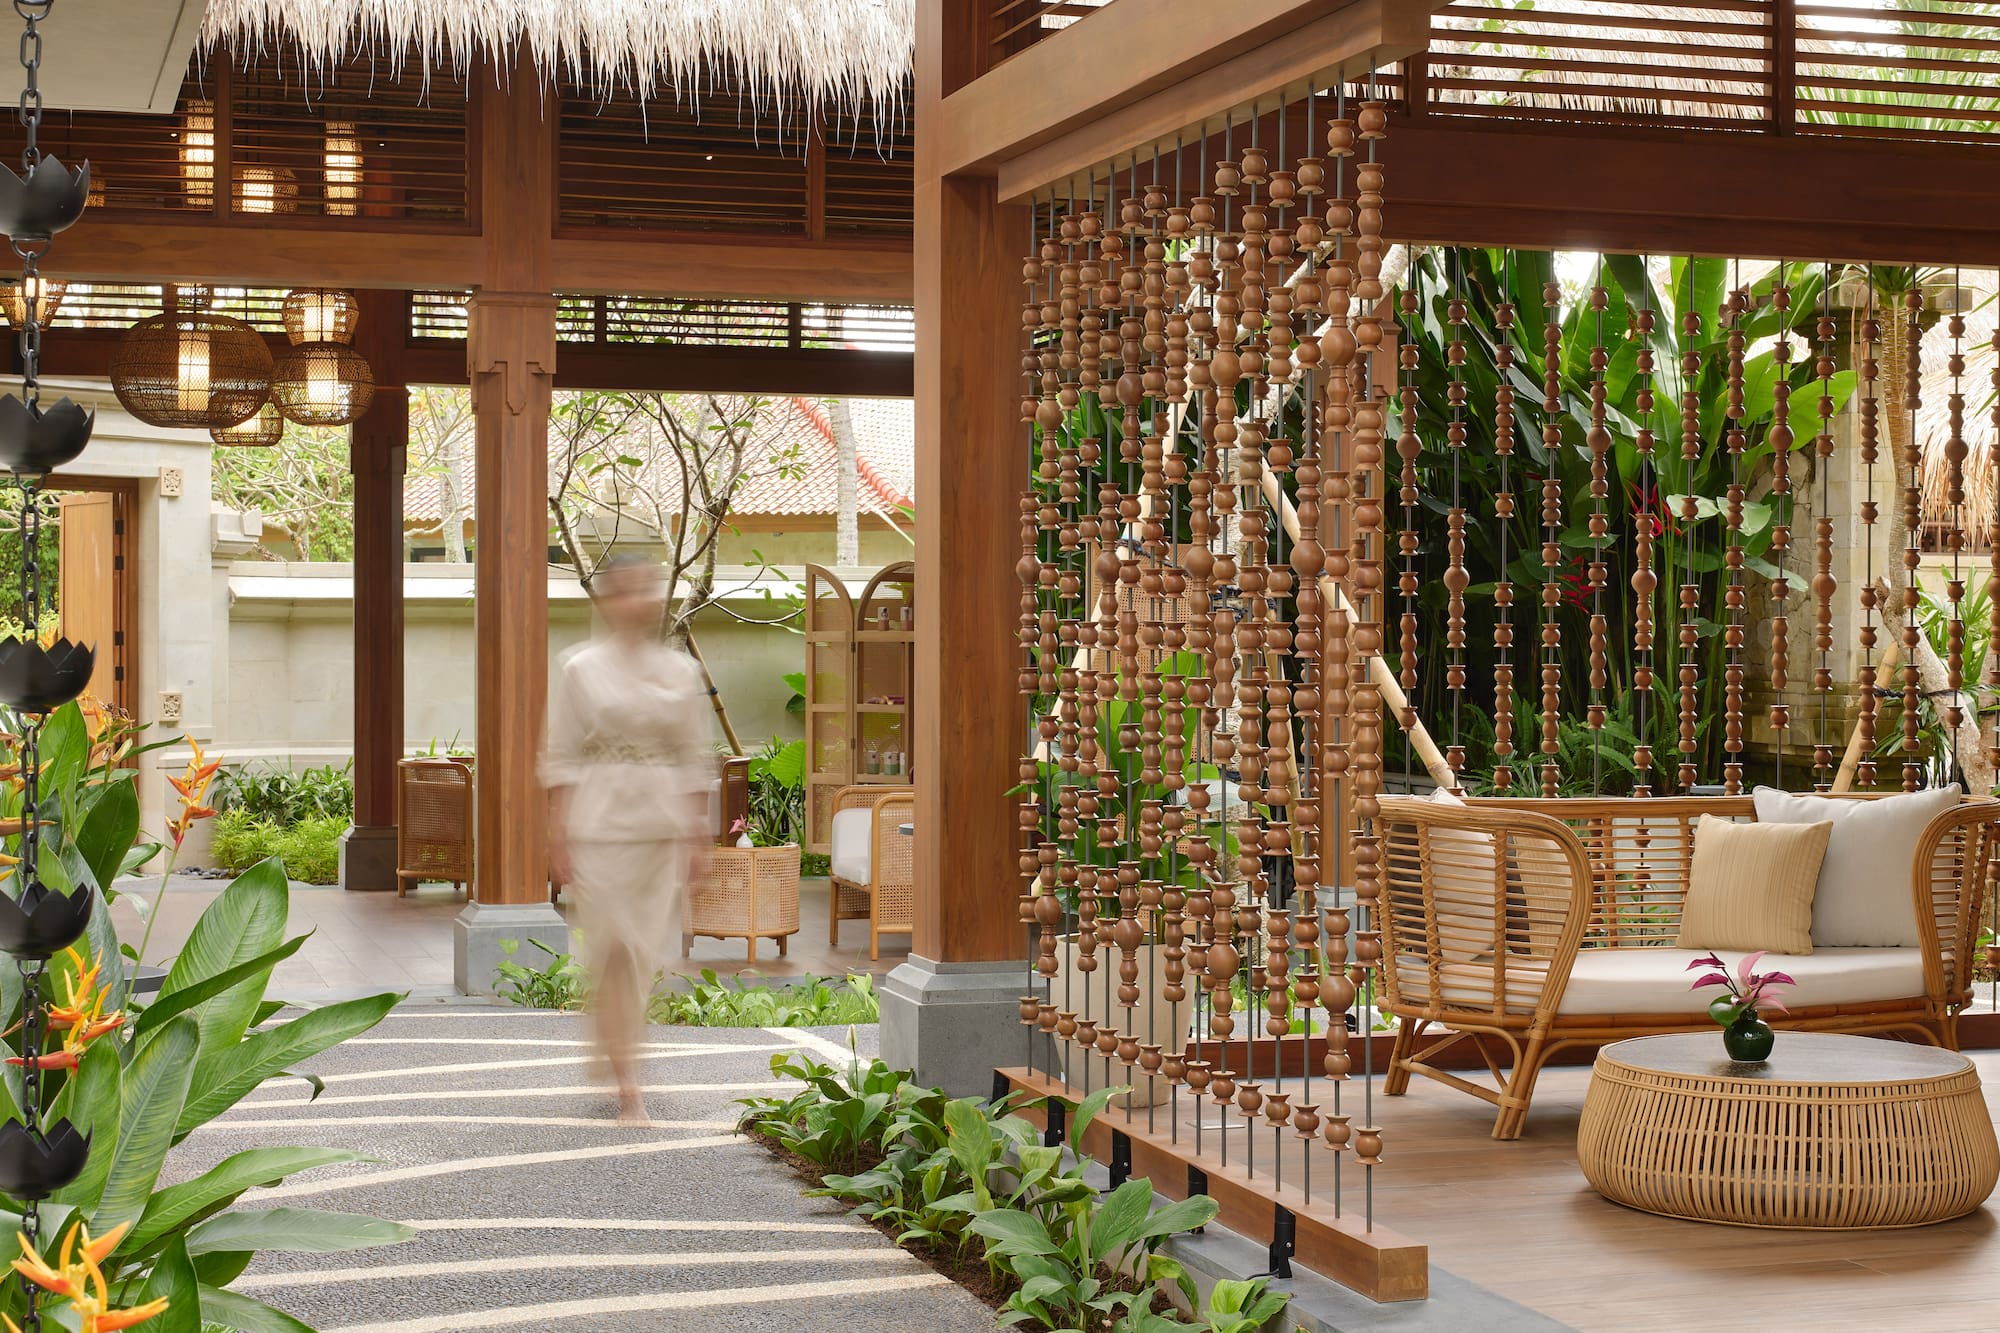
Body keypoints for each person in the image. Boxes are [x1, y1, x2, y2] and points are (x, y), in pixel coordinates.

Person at [542, 554, 712, 1124]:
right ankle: (625, 1077)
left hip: (658, 830)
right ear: (608, 600)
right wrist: (557, 838)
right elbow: (560, 756)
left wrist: (698, 838)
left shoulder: (680, 672)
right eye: (626, 591)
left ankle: (621, 1056)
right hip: (598, 825)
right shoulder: (579, 669)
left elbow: (694, 757)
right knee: (610, 948)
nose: (638, 601)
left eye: (647, 590)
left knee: (640, 954)